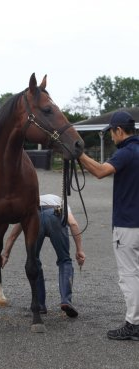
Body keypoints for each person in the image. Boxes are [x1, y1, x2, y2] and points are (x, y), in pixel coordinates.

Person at [79, 110, 139, 341]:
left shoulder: (127, 152)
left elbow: (100, 171)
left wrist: (79, 155)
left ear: (119, 131)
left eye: (112, 134)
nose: (112, 139)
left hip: (127, 225)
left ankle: (133, 324)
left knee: (129, 275)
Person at [1, 194, 85, 318]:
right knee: (65, 260)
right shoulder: (61, 202)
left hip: (35, 216)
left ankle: (39, 304)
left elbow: (13, 235)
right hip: (56, 214)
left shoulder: (30, 205)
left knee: (33, 260)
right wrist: (79, 250)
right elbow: (73, 224)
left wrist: (5, 255)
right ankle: (66, 301)